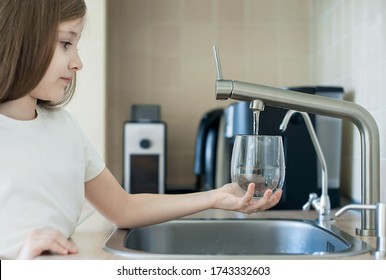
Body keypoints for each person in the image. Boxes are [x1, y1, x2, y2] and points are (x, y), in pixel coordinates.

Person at [0, 0, 282, 260]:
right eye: (65, 43)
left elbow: (123, 209)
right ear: (23, 38)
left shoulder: (65, 128)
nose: (78, 62)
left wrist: (216, 197)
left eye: (76, 46)